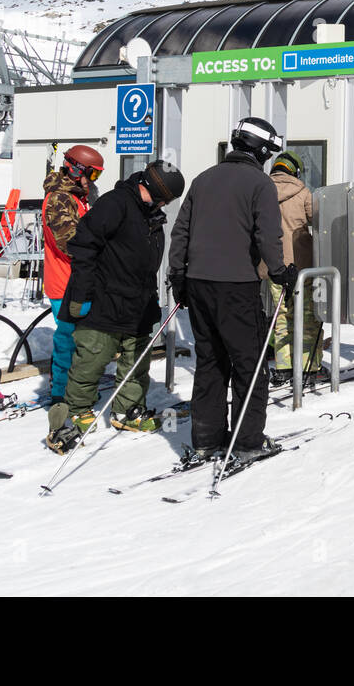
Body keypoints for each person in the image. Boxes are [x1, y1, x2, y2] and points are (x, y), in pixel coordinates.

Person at [168, 117, 296, 464]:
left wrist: (177, 275)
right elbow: (268, 236)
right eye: (268, 151)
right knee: (248, 365)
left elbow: (181, 231)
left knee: (210, 362)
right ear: (260, 150)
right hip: (237, 285)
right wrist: (282, 271)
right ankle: (246, 440)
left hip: (197, 285)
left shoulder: (203, 179)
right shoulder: (259, 183)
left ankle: (207, 439)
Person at [49, 159, 185, 451]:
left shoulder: (149, 211)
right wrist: (82, 295)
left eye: (166, 201)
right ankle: (78, 410)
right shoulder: (115, 204)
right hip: (103, 298)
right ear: (148, 187)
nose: (163, 204)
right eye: (162, 198)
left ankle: (127, 410)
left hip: (137, 299)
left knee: (136, 359)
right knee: (92, 358)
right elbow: (83, 246)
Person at [40, 144, 103, 447]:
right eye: (92, 172)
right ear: (77, 170)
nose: (93, 179)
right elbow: (71, 242)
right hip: (65, 282)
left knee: (80, 338)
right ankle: (62, 395)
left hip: (78, 281)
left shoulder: (78, 197)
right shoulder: (60, 200)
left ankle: (74, 391)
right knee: (69, 338)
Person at [261, 150, 320, 387]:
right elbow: (317, 220)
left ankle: (284, 366)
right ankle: (307, 369)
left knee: (281, 316)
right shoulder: (303, 192)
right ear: (294, 169)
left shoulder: (261, 191)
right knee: (307, 317)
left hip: (272, 267)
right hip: (301, 267)